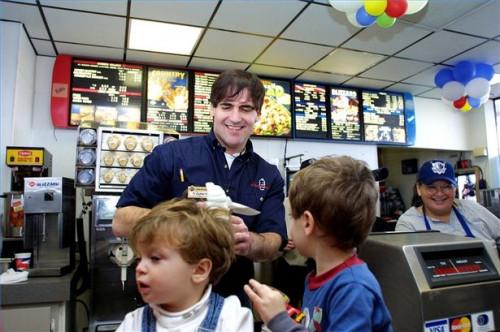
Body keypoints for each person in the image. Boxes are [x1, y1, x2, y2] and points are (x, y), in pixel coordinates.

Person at [112, 69, 287, 302]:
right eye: (227, 106)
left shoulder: (269, 175)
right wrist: (183, 219)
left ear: (258, 114)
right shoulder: (171, 156)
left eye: (245, 108)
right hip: (168, 298)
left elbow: (274, 241)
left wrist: (250, 242)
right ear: (213, 108)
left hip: (232, 301)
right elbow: (120, 221)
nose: (235, 117)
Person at [244, 156, 393, 332]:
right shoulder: (317, 277)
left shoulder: (353, 288)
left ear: (307, 222)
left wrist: (280, 321)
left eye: (293, 216)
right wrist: (288, 315)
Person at [116, 198, 253, 332]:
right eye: (139, 259)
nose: (140, 268)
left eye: (155, 258)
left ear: (200, 270)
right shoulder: (134, 323)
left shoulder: (231, 319)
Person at [396, 160, 500, 250]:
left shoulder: (472, 208)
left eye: (446, 187)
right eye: (432, 187)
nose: (440, 193)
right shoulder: (408, 224)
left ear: (454, 188)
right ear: (419, 189)